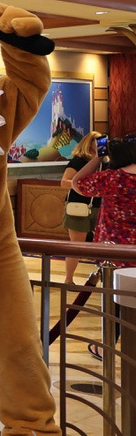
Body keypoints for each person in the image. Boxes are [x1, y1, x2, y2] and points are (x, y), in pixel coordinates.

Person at [72, 132, 136, 359]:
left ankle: (106, 347)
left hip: (113, 252)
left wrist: (98, 158)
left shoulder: (113, 178)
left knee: (113, 303)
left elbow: (77, 183)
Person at [60, 131, 103, 283]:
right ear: (89, 143)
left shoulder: (105, 162)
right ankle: (69, 279)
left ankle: (104, 278)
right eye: (97, 141)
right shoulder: (79, 160)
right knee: (77, 246)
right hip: (78, 206)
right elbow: (64, 182)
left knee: (102, 245)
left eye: (102, 141)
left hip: (98, 206)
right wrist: (83, 186)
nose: (100, 144)